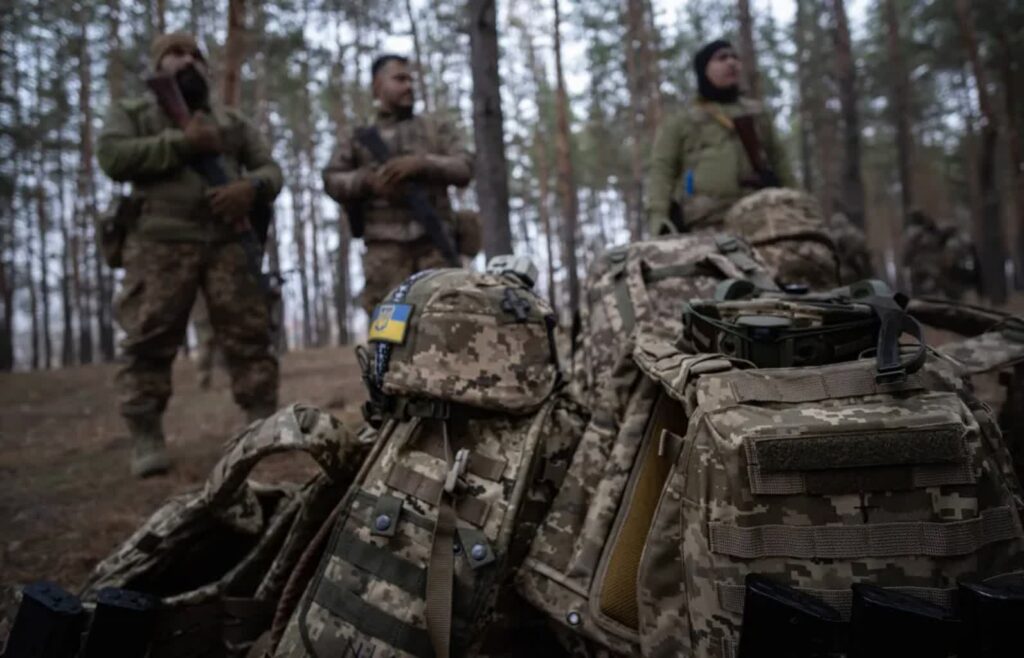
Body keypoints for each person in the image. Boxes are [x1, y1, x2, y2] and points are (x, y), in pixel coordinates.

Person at [97, 33, 283, 478]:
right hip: (159, 242)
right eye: (175, 54)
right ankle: (146, 435)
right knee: (149, 338)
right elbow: (111, 156)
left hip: (227, 244)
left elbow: (270, 169)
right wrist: (182, 144)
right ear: (157, 66)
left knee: (249, 335)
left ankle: (261, 426)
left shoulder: (232, 122)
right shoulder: (134, 114)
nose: (187, 62)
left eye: (195, 56)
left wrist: (248, 188)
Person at [322, 54, 475, 315]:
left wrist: (423, 164)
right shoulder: (358, 137)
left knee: (446, 330)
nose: (408, 86)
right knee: (390, 340)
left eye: (411, 80)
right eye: (399, 79)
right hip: (384, 256)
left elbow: (465, 167)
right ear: (377, 86)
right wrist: (368, 181)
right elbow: (332, 179)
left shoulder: (434, 129)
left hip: (435, 248)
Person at [646, 39, 794, 236]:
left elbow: (779, 160)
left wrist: (795, 200)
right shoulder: (681, 120)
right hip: (704, 220)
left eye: (734, 57)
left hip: (762, 214)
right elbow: (662, 170)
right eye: (721, 58)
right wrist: (659, 219)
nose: (731, 63)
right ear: (703, 70)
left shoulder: (757, 113)